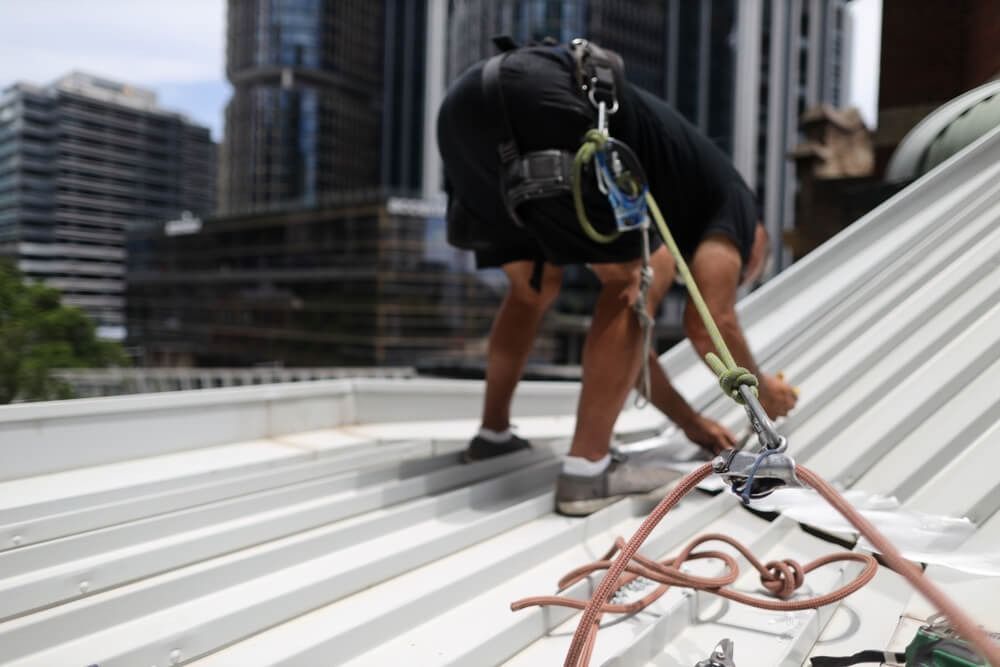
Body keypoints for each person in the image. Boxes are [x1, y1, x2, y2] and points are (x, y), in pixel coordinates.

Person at [438, 39, 798, 516]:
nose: (738, 273)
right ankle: (587, 471)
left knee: (533, 289)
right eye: (748, 269)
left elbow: (633, 356)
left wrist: (691, 422)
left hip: (467, 110)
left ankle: (493, 435)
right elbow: (710, 320)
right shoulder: (734, 202)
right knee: (638, 276)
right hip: (548, 102)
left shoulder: (679, 194)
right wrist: (766, 393)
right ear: (757, 242)